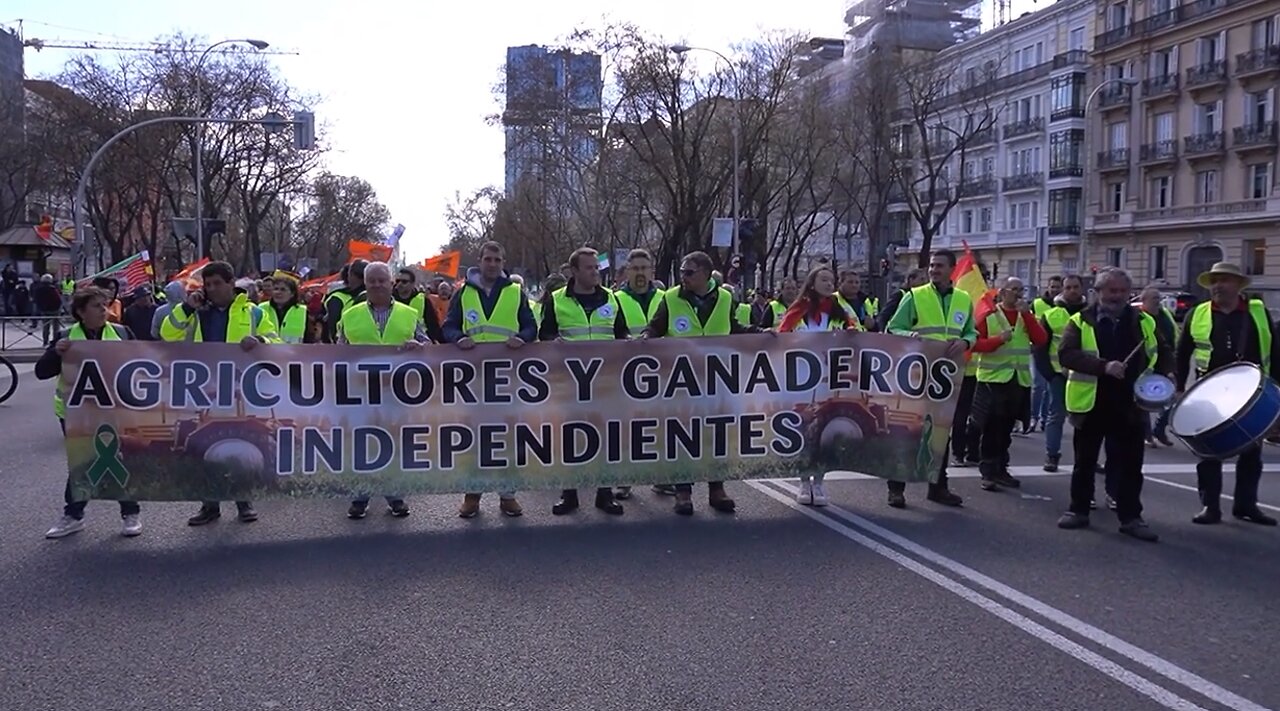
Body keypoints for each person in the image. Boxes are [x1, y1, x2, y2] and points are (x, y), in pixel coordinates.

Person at [642, 250, 763, 515]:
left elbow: (733, 327)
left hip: (718, 379)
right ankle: (683, 491)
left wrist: (757, 334)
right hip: (683, 381)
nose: (683, 277)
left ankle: (717, 488)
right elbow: (656, 327)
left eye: (689, 272)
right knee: (685, 435)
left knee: (716, 435)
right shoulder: (671, 298)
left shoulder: (725, 297)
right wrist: (644, 337)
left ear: (706, 275)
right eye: (682, 272)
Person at [1056, 268, 1170, 542]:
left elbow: (1163, 351)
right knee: (1085, 462)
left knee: (1131, 464)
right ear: (1098, 292)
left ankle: (1131, 517)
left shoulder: (1144, 321)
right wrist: (1103, 366)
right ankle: (1078, 510)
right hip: (1092, 403)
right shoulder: (1080, 321)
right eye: (1111, 291)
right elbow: (1066, 354)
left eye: (1121, 291)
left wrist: (1168, 374)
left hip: (1131, 404)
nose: (1117, 296)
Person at [160, 261, 277, 526]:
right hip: (206, 390)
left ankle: (243, 502)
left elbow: (274, 340)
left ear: (231, 283)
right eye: (207, 284)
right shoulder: (196, 312)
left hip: (240, 392)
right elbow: (168, 334)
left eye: (217, 284)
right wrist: (188, 307)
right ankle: (209, 505)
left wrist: (261, 342)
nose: (212, 289)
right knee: (205, 447)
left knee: (237, 446)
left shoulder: (253, 313)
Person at [1175, 262, 1278, 526]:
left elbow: (1275, 351)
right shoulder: (1198, 313)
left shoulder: (1257, 311)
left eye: (1224, 280)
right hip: (1208, 393)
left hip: (1251, 393)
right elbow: (1182, 351)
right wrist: (1178, 388)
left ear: (1238, 285)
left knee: (1251, 453)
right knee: (1208, 454)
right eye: (1214, 281)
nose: (1218, 286)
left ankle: (1246, 505)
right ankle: (1210, 506)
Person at [442, 241, 537, 518]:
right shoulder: (463, 293)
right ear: (479, 261)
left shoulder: (515, 293)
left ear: (503, 262)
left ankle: (508, 495)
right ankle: (472, 496)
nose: (493, 264)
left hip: (508, 378)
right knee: (475, 439)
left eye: (497, 259)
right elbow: (449, 325)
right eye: (488, 259)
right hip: (473, 380)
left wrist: (523, 337)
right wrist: (458, 338)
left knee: (508, 437)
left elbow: (530, 324)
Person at [38, 287, 142, 539]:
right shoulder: (66, 337)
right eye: (97, 306)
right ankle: (74, 516)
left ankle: (131, 513)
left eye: (105, 305)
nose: (104, 311)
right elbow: (42, 371)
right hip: (77, 413)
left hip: (115, 410)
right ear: (81, 312)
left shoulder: (121, 333)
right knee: (81, 462)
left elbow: (142, 363)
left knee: (118, 458)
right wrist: (56, 353)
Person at [540, 247, 630, 516]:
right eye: (589, 268)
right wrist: (552, 343)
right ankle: (569, 494)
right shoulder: (556, 300)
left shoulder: (611, 299)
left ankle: (605, 494)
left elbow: (621, 332)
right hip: (569, 382)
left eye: (596, 267)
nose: (595, 272)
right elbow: (544, 334)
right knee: (570, 438)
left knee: (604, 438)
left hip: (605, 381)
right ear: (575, 271)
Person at [884, 251, 974, 508]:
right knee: (907, 429)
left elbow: (971, 330)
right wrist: (910, 334)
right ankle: (896, 489)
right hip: (915, 373)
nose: (934, 269)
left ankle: (938, 487)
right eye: (932, 265)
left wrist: (966, 341)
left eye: (939, 266)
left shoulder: (963, 299)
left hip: (945, 376)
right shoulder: (915, 296)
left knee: (940, 432)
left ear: (952, 269)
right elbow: (893, 327)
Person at [338, 262, 424, 519]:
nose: (376, 285)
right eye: (371, 281)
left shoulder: (410, 314)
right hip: (361, 393)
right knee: (363, 445)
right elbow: (337, 350)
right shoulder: (349, 315)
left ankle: (394, 496)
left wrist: (418, 346)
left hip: (397, 393)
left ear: (391, 283)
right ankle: (360, 497)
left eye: (381, 281)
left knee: (392, 446)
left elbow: (427, 344)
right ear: (364, 284)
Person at [776, 265, 857, 506]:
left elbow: (855, 330)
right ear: (812, 283)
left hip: (829, 380)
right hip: (801, 380)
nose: (829, 284)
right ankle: (803, 481)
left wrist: (851, 331)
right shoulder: (800, 308)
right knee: (804, 429)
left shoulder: (838, 309)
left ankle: (819, 482)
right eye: (824, 279)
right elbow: (783, 334)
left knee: (824, 430)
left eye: (831, 280)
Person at [970, 277, 1048, 492]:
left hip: (1017, 380)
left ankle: (1001, 468)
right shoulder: (989, 314)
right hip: (993, 380)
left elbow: (1040, 339)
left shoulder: (1027, 315)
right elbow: (974, 344)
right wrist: (997, 340)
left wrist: (1027, 315)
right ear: (1002, 293)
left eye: (1021, 289)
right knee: (991, 428)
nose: (1019, 294)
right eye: (1014, 290)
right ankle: (988, 471)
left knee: (1006, 429)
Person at [1035, 274, 1087, 473]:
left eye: (1076, 287)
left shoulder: (1092, 314)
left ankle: (1086, 457)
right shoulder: (1051, 315)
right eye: (1069, 287)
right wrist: (1050, 374)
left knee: (1086, 420)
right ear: (1063, 290)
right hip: (1059, 376)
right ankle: (1052, 455)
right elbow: (1040, 348)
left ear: (1082, 289)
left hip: (1086, 376)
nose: (1072, 291)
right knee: (1056, 416)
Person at [1138, 285, 1177, 447]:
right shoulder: (1139, 318)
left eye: (1159, 298)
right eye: (1154, 298)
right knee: (1143, 404)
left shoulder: (1165, 315)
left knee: (1171, 399)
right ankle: (1147, 435)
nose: (1158, 302)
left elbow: (1172, 338)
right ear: (1144, 301)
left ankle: (1159, 428)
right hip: (1145, 367)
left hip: (1164, 363)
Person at [1026, 275, 1064, 432]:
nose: (1055, 289)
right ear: (1047, 287)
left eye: (1057, 286)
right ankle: (1032, 417)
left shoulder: (1064, 307)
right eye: (1052, 286)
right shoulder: (1037, 304)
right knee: (1038, 385)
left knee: (1049, 389)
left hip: (1054, 354)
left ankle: (1044, 418)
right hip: (1038, 350)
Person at [614, 249, 663, 338]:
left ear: (651, 271)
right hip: (629, 351)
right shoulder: (616, 299)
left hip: (660, 351)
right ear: (628, 271)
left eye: (644, 268)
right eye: (635, 269)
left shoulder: (664, 298)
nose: (640, 273)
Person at [257, 271, 313, 343]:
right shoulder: (261, 308)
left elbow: (309, 339)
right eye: (276, 289)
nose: (278, 292)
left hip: (295, 353)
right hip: (266, 352)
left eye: (283, 289)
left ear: (292, 293)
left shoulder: (303, 311)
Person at [393, 268, 444, 343]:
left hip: (419, 345)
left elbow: (433, 326)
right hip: (394, 344)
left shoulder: (423, 300)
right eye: (397, 281)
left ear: (412, 284)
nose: (399, 284)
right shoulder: (389, 299)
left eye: (404, 282)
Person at [322, 260, 367, 343]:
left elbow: (333, 329)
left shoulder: (337, 297)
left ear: (350, 275)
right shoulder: (377, 298)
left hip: (344, 348)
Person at [875, 268, 926, 332]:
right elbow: (884, 314)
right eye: (921, 279)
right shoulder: (900, 295)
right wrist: (881, 331)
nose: (924, 283)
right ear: (911, 280)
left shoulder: (921, 297)